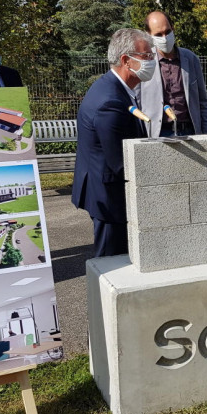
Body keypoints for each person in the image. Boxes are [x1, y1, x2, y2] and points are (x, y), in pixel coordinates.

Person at [72, 29, 155, 257]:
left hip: (105, 189)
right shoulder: (110, 100)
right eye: (147, 56)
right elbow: (119, 161)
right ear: (126, 60)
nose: (152, 61)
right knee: (110, 263)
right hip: (108, 196)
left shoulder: (115, 87)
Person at [141, 11, 207, 137]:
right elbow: (137, 103)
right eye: (159, 34)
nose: (164, 38)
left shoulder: (190, 59)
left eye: (168, 32)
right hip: (158, 133)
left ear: (173, 28)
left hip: (189, 131)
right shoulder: (144, 62)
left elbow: (203, 102)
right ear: (149, 35)